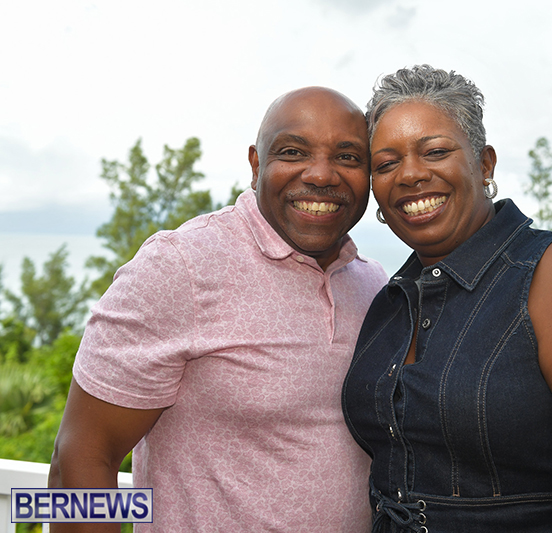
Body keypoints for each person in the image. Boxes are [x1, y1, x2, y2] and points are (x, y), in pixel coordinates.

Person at [48, 87, 388, 532]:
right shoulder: (179, 266)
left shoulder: (374, 284)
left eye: (347, 157)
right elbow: (76, 458)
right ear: (255, 164)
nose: (321, 174)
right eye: (293, 151)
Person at [341, 65, 552, 532]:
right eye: (387, 164)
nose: (410, 174)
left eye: (435, 151)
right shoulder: (391, 300)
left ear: (485, 163)